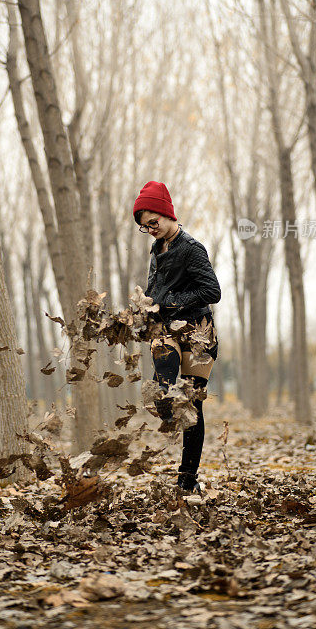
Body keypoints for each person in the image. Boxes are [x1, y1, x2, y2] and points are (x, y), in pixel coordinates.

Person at [133, 180, 221, 494]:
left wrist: (171, 301)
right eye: (145, 227)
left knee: (192, 408)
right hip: (166, 330)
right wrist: (144, 308)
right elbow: (154, 290)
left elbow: (213, 291)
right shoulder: (156, 250)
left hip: (199, 334)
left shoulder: (192, 248)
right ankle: (165, 401)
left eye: (153, 223)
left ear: (167, 214)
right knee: (166, 394)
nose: (150, 230)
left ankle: (187, 479)